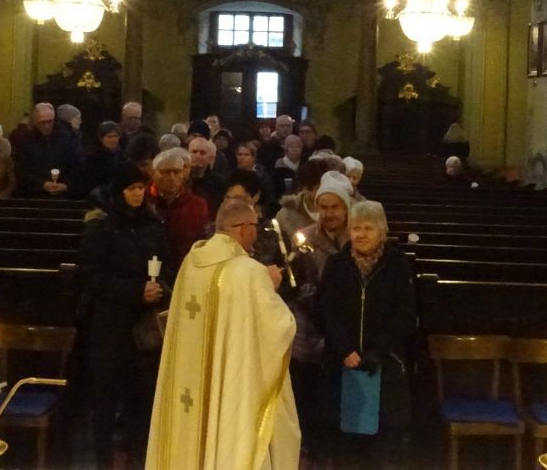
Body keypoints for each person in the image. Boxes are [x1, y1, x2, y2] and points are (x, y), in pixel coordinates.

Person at [145, 198, 300, 470]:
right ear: (243, 228)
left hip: (189, 377)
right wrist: (270, 284)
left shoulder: (192, 262)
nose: (256, 232)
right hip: (231, 379)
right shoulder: (249, 272)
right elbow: (281, 327)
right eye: (255, 226)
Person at [80, 162, 173, 470]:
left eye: (140, 188)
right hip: (110, 326)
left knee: (141, 400)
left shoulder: (152, 223)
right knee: (106, 400)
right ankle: (103, 462)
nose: (137, 194)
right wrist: (135, 291)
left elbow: (167, 265)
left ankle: (138, 459)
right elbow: (92, 277)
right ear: (119, 191)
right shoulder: (102, 226)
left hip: (144, 327)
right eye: (131, 188)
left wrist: (160, 288)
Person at [317, 200, 417, 469]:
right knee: (344, 448)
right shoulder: (337, 264)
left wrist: (377, 350)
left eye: (368, 228)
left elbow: (405, 314)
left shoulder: (397, 265)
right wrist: (344, 349)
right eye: (356, 228)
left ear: (382, 231)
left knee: (380, 450)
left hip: (384, 364)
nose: (361, 234)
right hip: (341, 363)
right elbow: (325, 310)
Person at [291, 175, 352, 457]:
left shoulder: (357, 236)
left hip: (345, 323)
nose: (328, 213)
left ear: (346, 208)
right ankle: (310, 443)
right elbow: (295, 279)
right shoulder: (305, 238)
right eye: (323, 207)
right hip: (311, 324)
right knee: (309, 386)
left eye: (335, 207)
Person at [147, 149, 209, 268]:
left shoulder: (197, 205)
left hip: (186, 269)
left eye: (177, 172)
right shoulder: (143, 202)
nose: (171, 177)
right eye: (165, 172)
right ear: (153, 173)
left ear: (183, 175)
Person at [13, 102, 83, 197]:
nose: (47, 126)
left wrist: (66, 185)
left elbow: (77, 165)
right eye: (42, 122)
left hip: (65, 193)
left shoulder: (68, 136)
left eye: (50, 121)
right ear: (34, 121)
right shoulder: (24, 140)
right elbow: (21, 169)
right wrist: (41, 184)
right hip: (34, 194)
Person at [276, 159, 326, 240]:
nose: (323, 192)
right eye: (318, 188)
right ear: (304, 189)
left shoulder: (340, 211)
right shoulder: (286, 216)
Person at [187, 135, 227, 213]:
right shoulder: (180, 179)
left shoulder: (219, 183)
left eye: (202, 153)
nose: (197, 155)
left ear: (210, 158)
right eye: (194, 152)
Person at [84, 120, 124, 197]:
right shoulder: (93, 157)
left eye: (115, 136)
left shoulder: (122, 155)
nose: (113, 140)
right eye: (109, 137)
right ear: (101, 138)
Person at [273, 133, 304, 199]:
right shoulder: (279, 165)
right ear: (286, 149)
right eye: (292, 147)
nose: (295, 149)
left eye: (298, 147)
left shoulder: (305, 164)